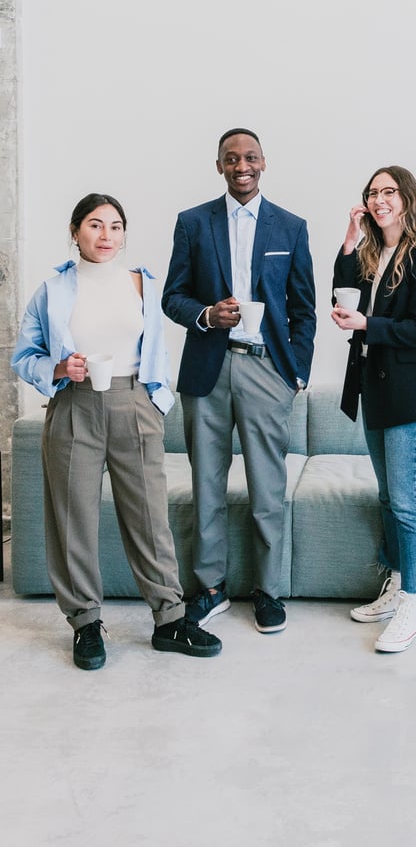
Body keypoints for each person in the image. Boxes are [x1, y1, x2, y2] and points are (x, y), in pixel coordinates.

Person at [10, 193, 222, 670]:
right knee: (73, 519)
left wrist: (156, 402)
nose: (106, 236)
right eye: (94, 225)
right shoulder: (52, 290)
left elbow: (158, 350)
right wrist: (59, 366)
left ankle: (169, 619)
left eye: (115, 226)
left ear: (124, 234)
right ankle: (85, 623)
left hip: (134, 404)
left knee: (149, 516)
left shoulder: (143, 285)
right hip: (73, 406)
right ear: (75, 231)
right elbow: (24, 356)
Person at [162, 128, 316, 635]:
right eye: (232, 159)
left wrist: (294, 372)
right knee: (206, 484)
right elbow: (172, 297)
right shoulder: (192, 223)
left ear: (263, 163)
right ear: (219, 166)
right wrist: (207, 313)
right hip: (207, 370)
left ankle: (269, 591)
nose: (241, 165)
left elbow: (303, 309)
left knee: (267, 487)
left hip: (266, 369)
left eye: (250, 157)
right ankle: (210, 588)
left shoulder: (291, 227)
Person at [331, 166, 416, 653]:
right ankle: (397, 582)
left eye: (389, 192)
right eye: (373, 193)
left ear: (407, 199)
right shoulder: (374, 252)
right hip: (374, 391)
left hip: (410, 395)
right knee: (387, 498)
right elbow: (343, 294)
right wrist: (349, 241)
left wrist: (369, 324)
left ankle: (412, 603)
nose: (379, 200)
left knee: (407, 501)